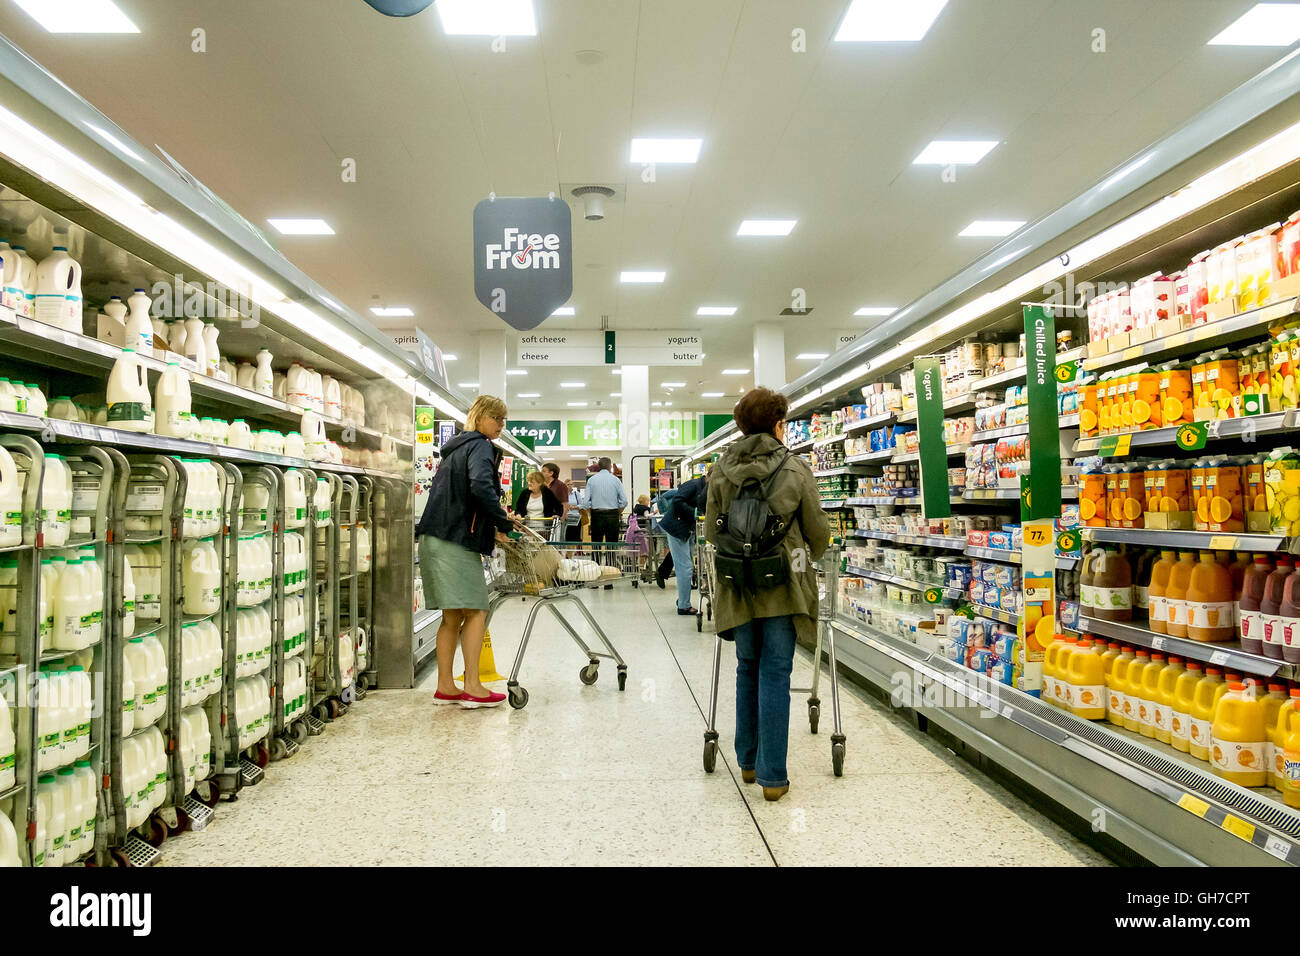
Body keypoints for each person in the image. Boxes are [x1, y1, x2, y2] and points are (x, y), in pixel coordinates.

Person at [706, 387, 830, 801]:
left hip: (736, 586)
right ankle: (773, 778)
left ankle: (747, 761)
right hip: (782, 584)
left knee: (746, 668)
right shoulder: (794, 469)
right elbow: (818, 533)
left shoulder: (720, 469)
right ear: (779, 425)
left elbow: (710, 532)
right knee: (776, 672)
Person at [415, 395, 520, 708]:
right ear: (483, 417)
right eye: (498, 419)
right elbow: (480, 487)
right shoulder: (480, 446)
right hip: (454, 540)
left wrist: (492, 528)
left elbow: (466, 497)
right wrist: (504, 520)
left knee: (451, 617)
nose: (502, 426)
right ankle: (473, 685)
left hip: (437, 536)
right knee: (476, 610)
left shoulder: (457, 448)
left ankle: (446, 686)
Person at [656, 474, 707, 615]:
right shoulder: (693, 485)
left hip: (688, 529)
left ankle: (683, 599)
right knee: (685, 567)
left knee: (687, 565)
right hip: (677, 528)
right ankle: (684, 606)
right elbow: (677, 502)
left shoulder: (704, 487)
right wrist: (695, 513)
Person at [585, 456, 627, 543]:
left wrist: (591, 512)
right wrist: (617, 512)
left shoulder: (591, 480)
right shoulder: (616, 480)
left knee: (596, 545)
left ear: (599, 466)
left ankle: (596, 557)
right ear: (610, 467)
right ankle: (611, 557)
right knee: (612, 546)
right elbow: (624, 501)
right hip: (613, 515)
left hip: (596, 515)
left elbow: (585, 502)